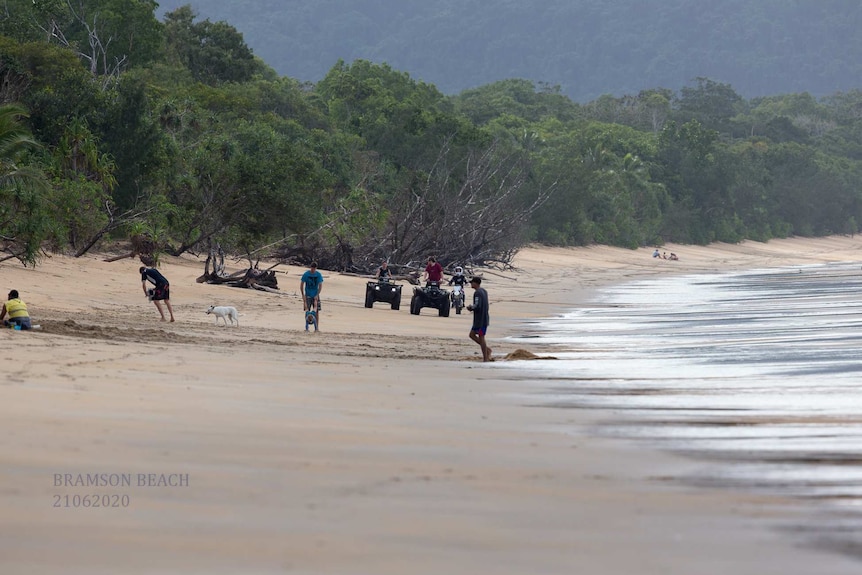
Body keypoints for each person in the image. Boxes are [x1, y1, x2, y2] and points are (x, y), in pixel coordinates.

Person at [466, 276, 491, 362]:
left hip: (480, 320)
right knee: (472, 335)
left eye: (472, 282)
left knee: (481, 337)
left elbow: (477, 305)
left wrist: (470, 307)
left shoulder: (477, 293)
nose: (471, 284)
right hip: (483, 318)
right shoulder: (484, 291)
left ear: (475, 283)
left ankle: (486, 357)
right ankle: (487, 350)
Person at [300, 261, 324, 330]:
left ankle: (317, 327)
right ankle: (306, 325)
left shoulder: (318, 275)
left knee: (316, 310)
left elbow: (320, 285)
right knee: (307, 310)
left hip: (315, 294)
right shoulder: (306, 274)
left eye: (314, 268)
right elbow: (302, 284)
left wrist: (317, 294)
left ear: (316, 268)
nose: (313, 270)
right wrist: (303, 294)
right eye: (312, 268)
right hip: (308, 294)